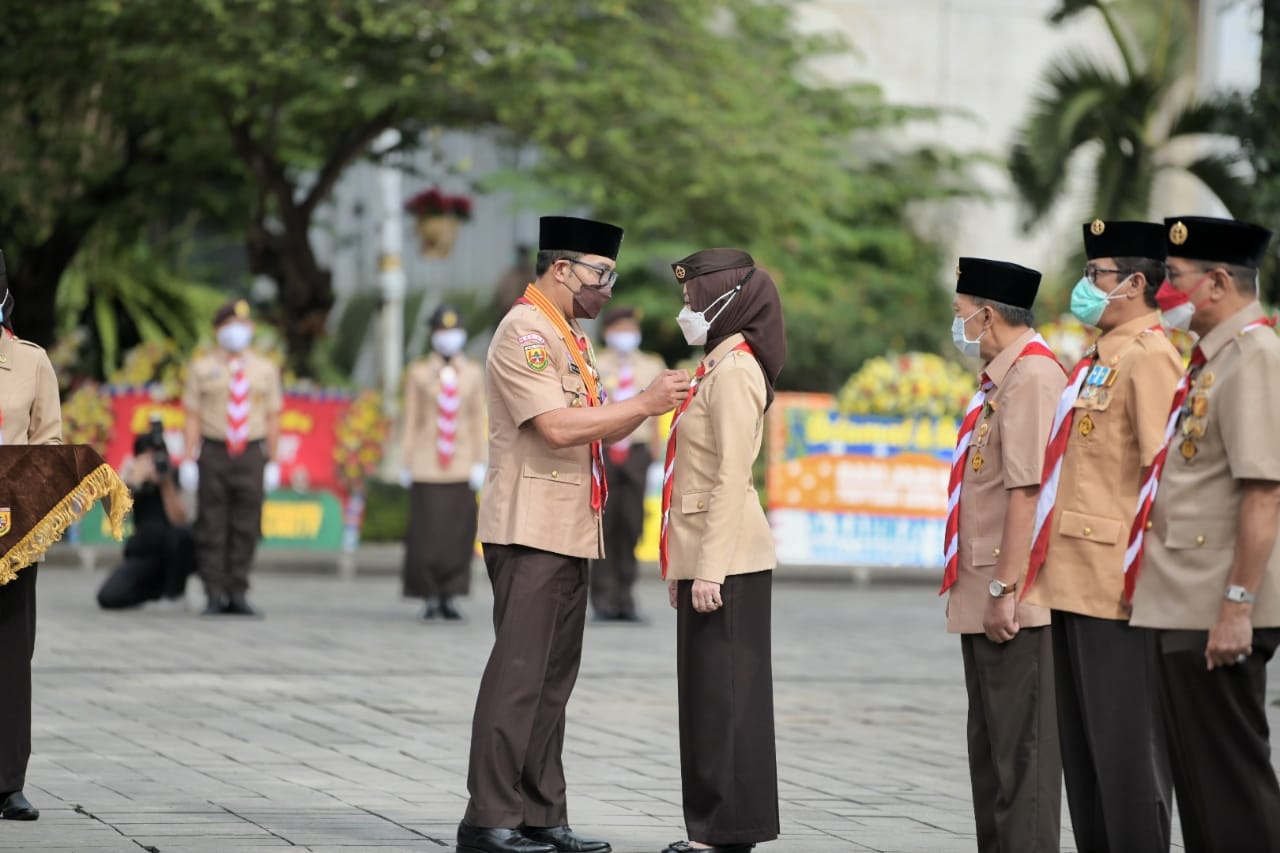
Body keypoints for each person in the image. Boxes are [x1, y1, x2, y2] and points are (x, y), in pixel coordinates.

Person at [459, 215, 690, 853]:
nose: (607, 289)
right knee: (520, 674)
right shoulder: (525, 332)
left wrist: (641, 410)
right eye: (599, 274)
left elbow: (592, 424)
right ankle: (488, 820)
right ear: (561, 269)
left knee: (554, 678)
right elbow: (557, 427)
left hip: (567, 527)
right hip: (530, 527)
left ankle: (541, 814)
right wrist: (643, 404)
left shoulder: (569, 336)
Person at [1020, 220, 1181, 852]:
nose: (1086, 288)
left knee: (1125, 756)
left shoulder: (1150, 359)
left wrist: (1155, 583)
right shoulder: (1096, 360)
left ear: (1136, 284)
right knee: (1085, 760)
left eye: (1098, 276)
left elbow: (1162, 477)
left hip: (1117, 584)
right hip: (1069, 579)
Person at [1128, 216, 1280, 852]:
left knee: (1231, 787)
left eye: (1176, 278)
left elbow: (1264, 490)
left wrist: (1237, 607)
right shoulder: (1213, 359)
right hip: (1183, 599)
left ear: (1217, 282)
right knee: (1201, 788)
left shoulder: (1256, 357)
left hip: (1217, 607)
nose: (1166, 291)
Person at [660, 249, 786, 853]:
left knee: (728, 699)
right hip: (708, 557)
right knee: (708, 700)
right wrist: (679, 565)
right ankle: (713, 826)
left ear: (725, 301)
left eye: (692, 299)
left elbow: (731, 475)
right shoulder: (715, 365)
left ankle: (728, 830)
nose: (685, 309)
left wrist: (706, 570)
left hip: (730, 561)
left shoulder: (735, 371)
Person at [942, 257, 1065, 853]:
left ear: (988, 315)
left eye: (961, 313)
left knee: (1025, 758)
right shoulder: (1004, 377)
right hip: (986, 589)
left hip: (1011, 597)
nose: (957, 324)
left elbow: (1029, 492)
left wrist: (1004, 590)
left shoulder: (1035, 377)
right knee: (991, 749)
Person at [0, 255, 62, 822]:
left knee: (12, 654)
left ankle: (7, 782)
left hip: (10, 528)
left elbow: (46, 445)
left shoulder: (30, 363)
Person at [180, 299, 283, 617]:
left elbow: (273, 416)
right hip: (214, 450)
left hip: (251, 451)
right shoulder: (201, 368)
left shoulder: (265, 369)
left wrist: (274, 461)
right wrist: (187, 457)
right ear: (216, 331)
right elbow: (192, 416)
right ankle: (213, 591)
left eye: (242, 325)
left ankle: (237, 590)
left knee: (246, 523)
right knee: (212, 523)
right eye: (228, 326)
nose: (236, 332)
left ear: (251, 329)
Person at [400, 304, 486, 621]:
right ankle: (430, 594)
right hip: (427, 462)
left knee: (457, 533)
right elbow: (411, 419)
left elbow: (478, 418)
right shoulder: (419, 372)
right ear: (433, 335)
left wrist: (480, 460)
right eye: (442, 332)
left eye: (453, 331)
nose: (448, 338)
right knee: (428, 533)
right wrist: (406, 460)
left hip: (461, 461)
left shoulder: (474, 373)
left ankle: (451, 592)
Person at [591, 305, 666, 623]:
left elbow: (659, 417)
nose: (626, 335)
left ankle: (626, 597)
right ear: (608, 332)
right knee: (604, 526)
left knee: (632, 524)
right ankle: (603, 599)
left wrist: (658, 456)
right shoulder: (595, 362)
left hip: (637, 453)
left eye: (630, 328)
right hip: (604, 450)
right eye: (619, 328)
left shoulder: (652, 365)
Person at [97, 425, 197, 610]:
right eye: (147, 458)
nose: (153, 463)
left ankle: (175, 594)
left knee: (184, 536)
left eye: (157, 456)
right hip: (145, 551)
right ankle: (154, 591)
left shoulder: (174, 475)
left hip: (173, 550)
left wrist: (166, 484)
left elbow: (180, 521)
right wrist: (135, 482)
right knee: (109, 597)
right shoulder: (131, 477)